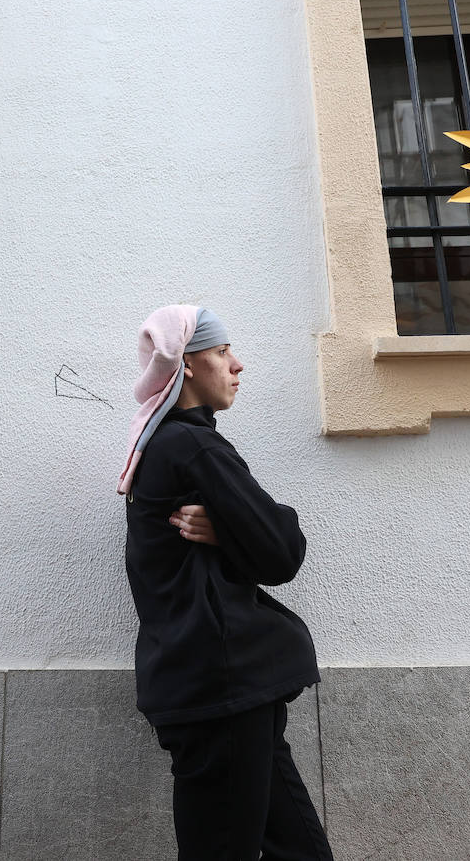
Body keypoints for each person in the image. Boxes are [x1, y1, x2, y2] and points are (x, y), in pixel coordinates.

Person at [118, 304, 333, 861]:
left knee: (298, 848)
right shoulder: (194, 446)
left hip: (217, 685)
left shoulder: (161, 444)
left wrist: (226, 532)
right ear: (187, 364)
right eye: (221, 352)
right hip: (221, 685)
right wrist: (243, 529)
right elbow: (283, 551)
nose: (237, 365)